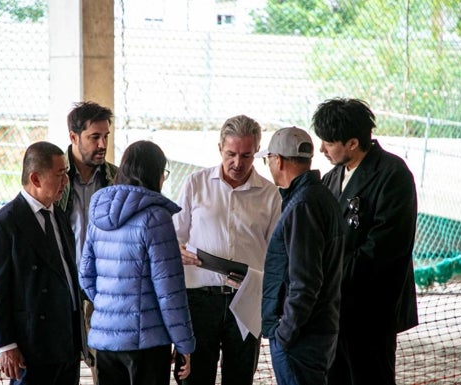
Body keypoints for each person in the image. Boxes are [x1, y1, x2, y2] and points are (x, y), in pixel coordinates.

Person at [312, 98, 418, 385]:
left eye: (329, 142)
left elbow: (383, 249)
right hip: (335, 309)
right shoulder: (332, 178)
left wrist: (330, 279)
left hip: (371, 309)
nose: (322, 149)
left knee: (370, 376)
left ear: (353, 143)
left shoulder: (392, 175)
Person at [173, 114, 282, 385]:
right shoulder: (195, 184)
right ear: (219, 149)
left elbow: (276, 255)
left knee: (240, 377)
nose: (237, 163)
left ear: (257, 151)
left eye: (246, 155)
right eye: (231, 154)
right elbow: (174, 237)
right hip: (199, 300)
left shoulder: (270, 194)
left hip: (246, 300)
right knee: (195, 378)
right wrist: (178, 251)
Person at [79, 140, 196, 385]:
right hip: (147, 344)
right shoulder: (156, 217)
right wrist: (185, 343)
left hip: (105, 341)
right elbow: (170, 291)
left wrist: (111, 306)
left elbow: (86, 276)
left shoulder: (98, 212)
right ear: (154, 174)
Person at [0, 141, 83, 385]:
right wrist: (6, 344)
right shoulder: (3, 225)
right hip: (31, 346)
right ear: (36, 178)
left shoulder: (58, 214)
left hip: (67, 340)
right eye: (60, 175)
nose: (66, 181)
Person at [257, 126, 345, 385]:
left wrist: (285, 333)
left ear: (279, 160)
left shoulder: (302, 205)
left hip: (300, 339)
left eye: (268, 159)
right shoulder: (321, 197)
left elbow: (305, 281)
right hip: (316, 331)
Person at [56, 100, 117, 378]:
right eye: (94, 137)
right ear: (73, 137)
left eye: (105, 136)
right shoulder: (54, 176)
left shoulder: (115, 178)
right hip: (63, 287)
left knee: (102, 366)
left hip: (102, 288)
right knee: (61, 365)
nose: (102, 144)